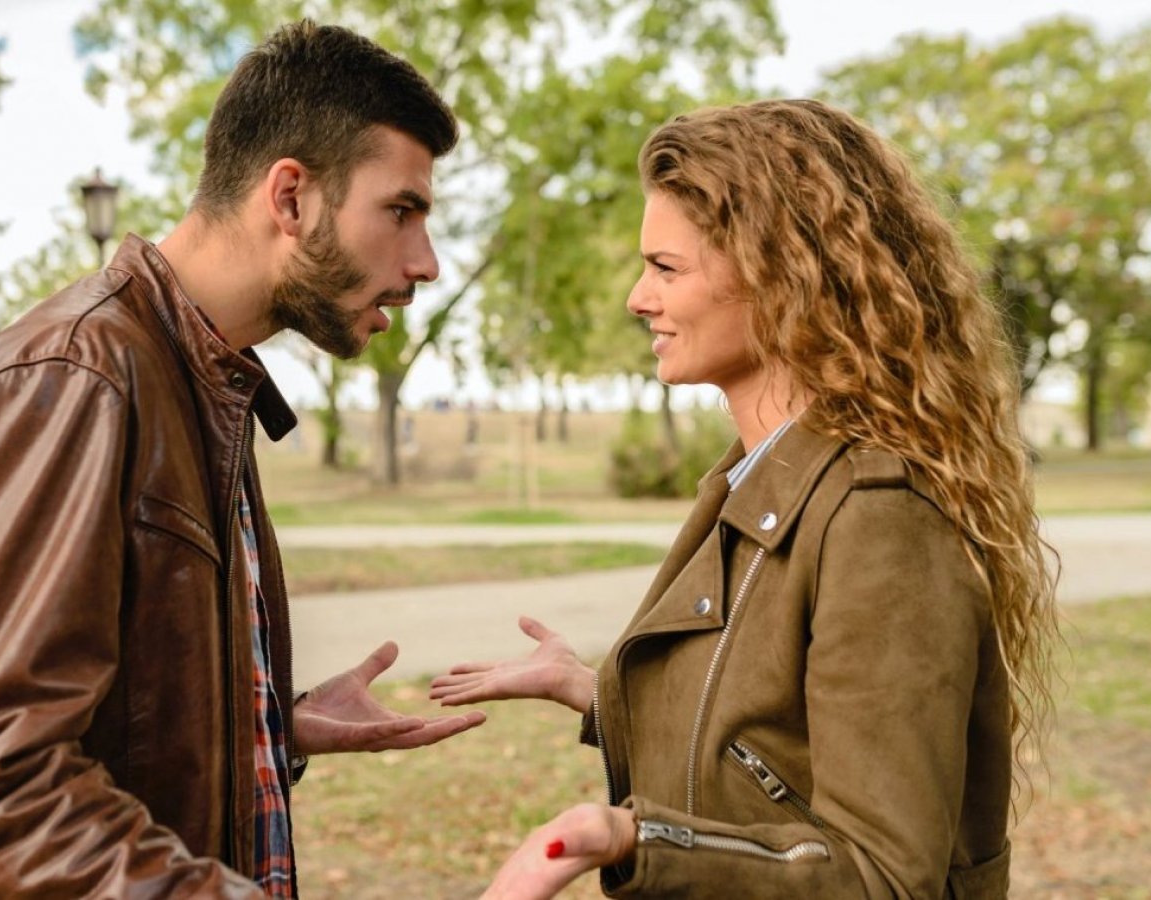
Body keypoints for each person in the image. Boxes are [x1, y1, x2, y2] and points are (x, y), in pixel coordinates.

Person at [0, 21, 485, 898]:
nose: (424, 263)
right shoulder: (74, 381)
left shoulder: (199, 380)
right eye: (402, 210)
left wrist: (268, 724)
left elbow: (112, 722)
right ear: (291, 199)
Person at [430, 99, 1058, 899]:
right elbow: (768, 749)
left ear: (780, 276)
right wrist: (599, 696)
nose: (636, 298)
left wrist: (627, 837)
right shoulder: (760, 477)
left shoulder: (878, 513)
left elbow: (883, 877)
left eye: (666, 268)